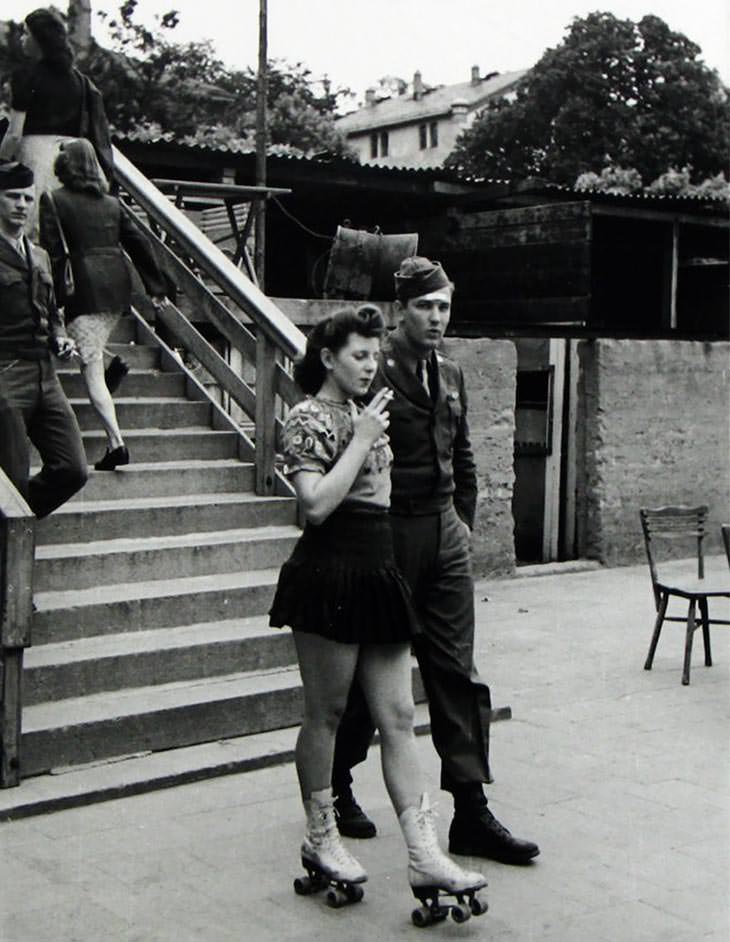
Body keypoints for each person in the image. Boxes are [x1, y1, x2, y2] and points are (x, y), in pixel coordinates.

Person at [269, 305, 487, 909]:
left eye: (373, 354)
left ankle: (424, 853)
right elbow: (312, 507)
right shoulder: (307, 417)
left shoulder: (369, 413)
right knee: (328, 714)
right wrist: (362, 439)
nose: (370, 365)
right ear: (328, 358)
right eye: (359, 356)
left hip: (378, 566)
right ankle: (321, 837)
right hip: (330, 569)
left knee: (397, 716)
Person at [331, 257, 540, 866]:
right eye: (426, 306)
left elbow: (464, 452)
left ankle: (471, 813)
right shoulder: (373, 371)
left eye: (444, 306)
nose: (437, 317)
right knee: (369, 680)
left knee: (458, 674)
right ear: (402, 309)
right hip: (387, 535)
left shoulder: (450, 372)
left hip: (443, 532)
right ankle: (339, 784)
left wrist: (463, 524)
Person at [39, 138, 167, 471]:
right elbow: (139, 242)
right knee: (88, 352)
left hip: (84, 289)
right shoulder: (112, 204)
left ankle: (117, 443)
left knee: (87, 367)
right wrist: (156, 287)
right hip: (115, 288)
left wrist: (49, 300)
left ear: (66, 165)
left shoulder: (53, 200)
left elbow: (52, 253)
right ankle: (109, 378)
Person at [0, 159, 87, 517]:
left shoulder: (40, 256)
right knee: (12, 479)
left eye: (28, 198)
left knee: (72, 469)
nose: (21, 205)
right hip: (5, 375)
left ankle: (10, 531)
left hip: (45, 376)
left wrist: (60, 337)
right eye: (12, 197)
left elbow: (52, 312)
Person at [0, 7, 113, 235]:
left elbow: (14, 134)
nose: (23, 39)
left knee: (31, 228)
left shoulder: (25, 76)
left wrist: (2, 161)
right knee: (64, 233)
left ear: (39, 40)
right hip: (73, 164)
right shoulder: (80, 81)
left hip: (36, 157)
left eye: (26, 33)